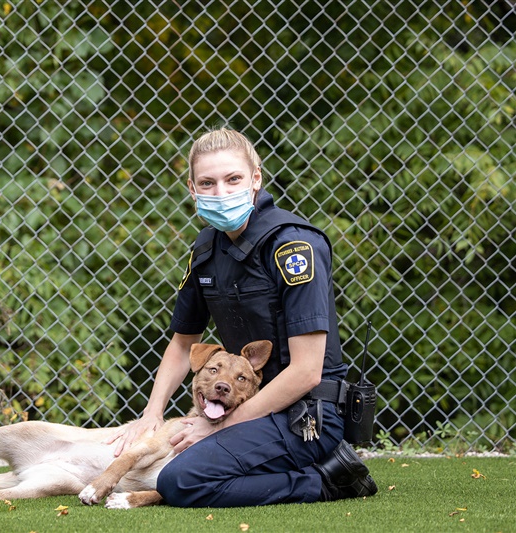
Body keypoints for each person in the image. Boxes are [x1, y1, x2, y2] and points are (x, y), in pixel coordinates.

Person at [109, 128, 377, 507]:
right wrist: (151, 414)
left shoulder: (293, 246)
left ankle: (327, 480)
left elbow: (307, 372)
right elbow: (183, 342)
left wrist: (215, 427)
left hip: (307, 416)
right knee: (169, 458)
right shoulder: (205, 248)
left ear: (256, 179)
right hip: (241, 402)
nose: (221, 193)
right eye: (208, 183)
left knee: (181, 480)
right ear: (192, 188)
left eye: (233, 179)